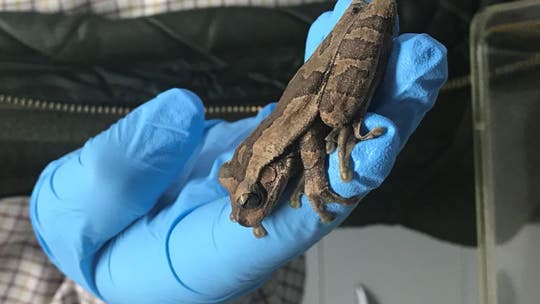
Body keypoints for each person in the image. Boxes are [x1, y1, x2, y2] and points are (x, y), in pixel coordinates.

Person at [1, 0, 448, 303]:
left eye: (249, 202)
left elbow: (309, 143)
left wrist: (314, 180)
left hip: (313, 73)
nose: (244, 214)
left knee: (335, 116)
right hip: (439, 159)